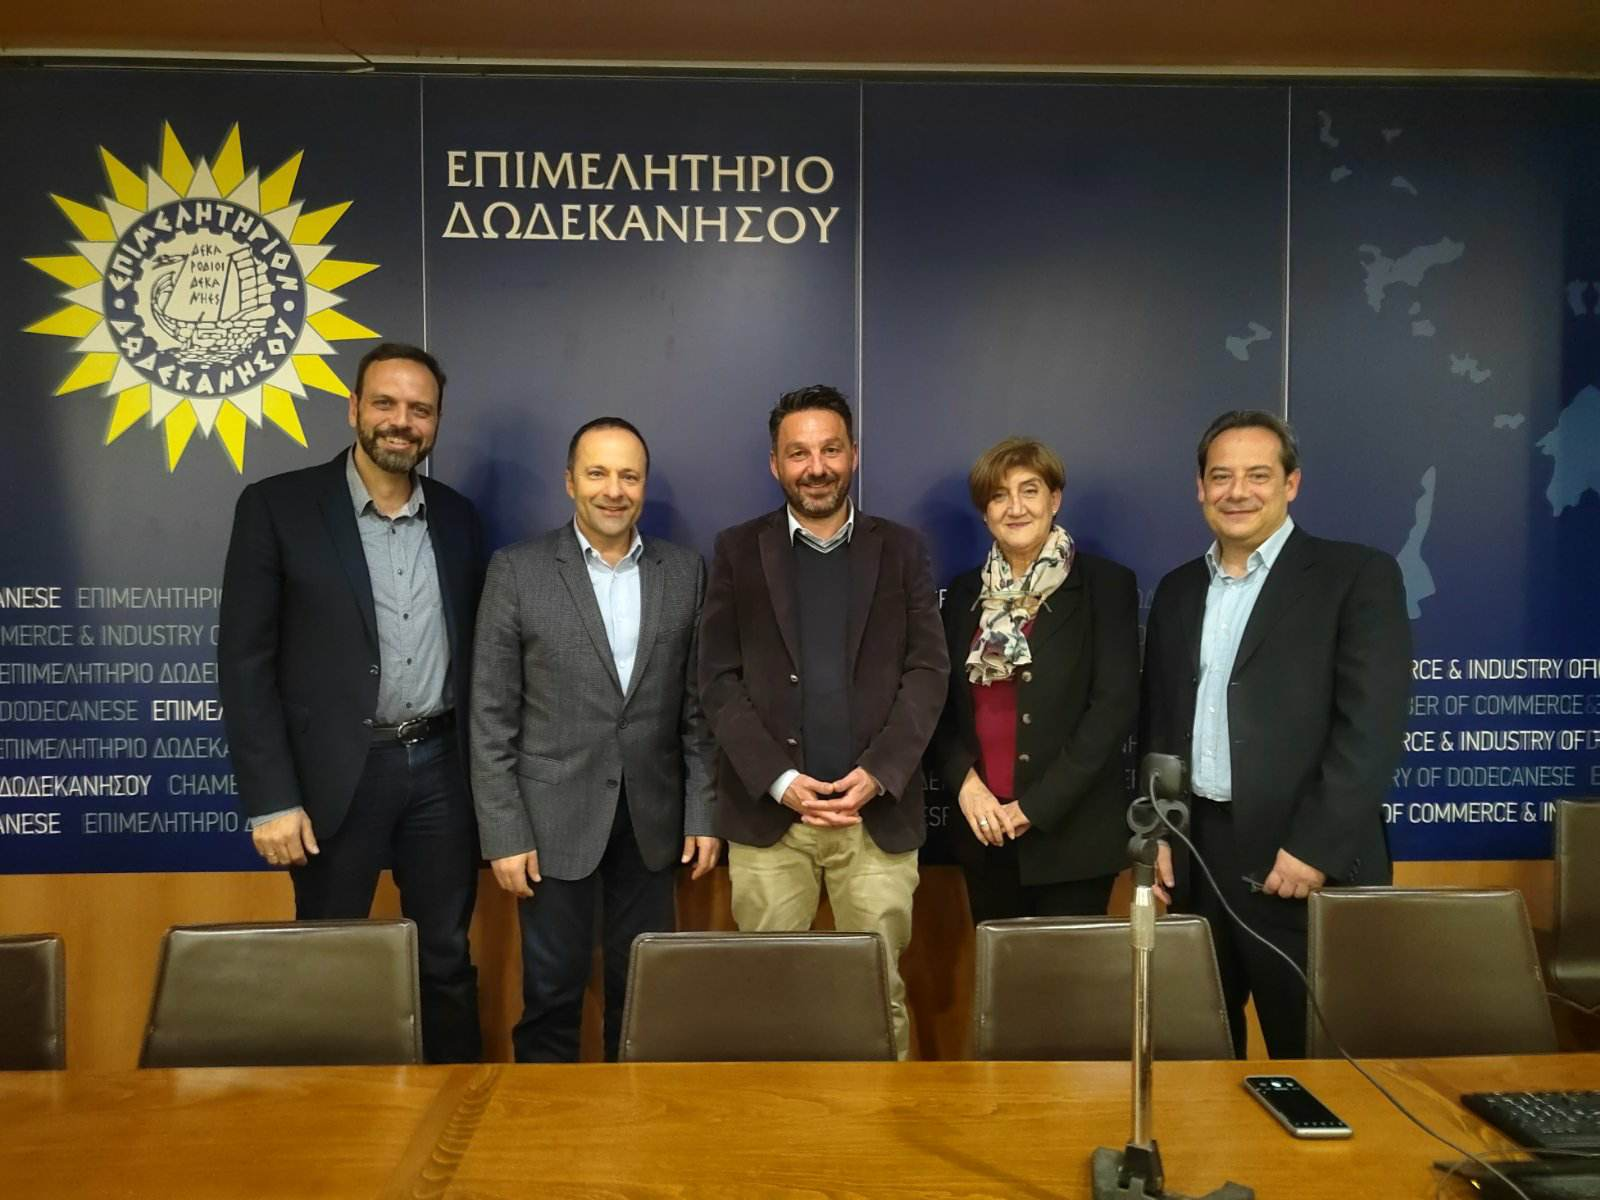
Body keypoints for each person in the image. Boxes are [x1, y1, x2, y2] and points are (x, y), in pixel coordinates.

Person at [219, 341, 484, 1063]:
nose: (402, 421)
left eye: (420, 410)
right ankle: (328, 1118)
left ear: (436, 422)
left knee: (446, 957)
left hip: (442, 770)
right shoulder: (278, 507)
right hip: (338, 777)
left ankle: (460, 1110)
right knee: (327, 960)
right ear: (353, 409)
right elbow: (244, 665)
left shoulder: (459, 519)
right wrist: (271, 800)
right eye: (386, 403)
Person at [1140, 410, 1410, 1058]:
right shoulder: (1178, 590)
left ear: (1291, 484)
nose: (1238, 491)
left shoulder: (1356, 577)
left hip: (1300, 863)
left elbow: (1370, 729)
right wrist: (1157, 834)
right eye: (1221, 476)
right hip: (1198, 856)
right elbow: (1159, 723)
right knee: (1198, 1059)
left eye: (1258, 475)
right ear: (1200, 488)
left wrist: (1314, 848)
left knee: (1318, 1064)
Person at [698, 384, 949, 1059]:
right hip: (771, 824)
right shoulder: (736, 551)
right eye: (799, 453)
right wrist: (779, 781)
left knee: (875, 997)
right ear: (774, 464)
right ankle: (780, 1123)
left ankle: (881, 1124)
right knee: (770, 999)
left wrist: (880, 772)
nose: (817, 468)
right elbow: (716, 680)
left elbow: (929, 672)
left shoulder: (902, 550)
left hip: (876, 822)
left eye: (830, 450)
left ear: (854, 455)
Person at [469, 417, 718, 1062]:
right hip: (551, 822)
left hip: (653, 822)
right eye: (598, 473)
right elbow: (491, 715)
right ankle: (546, 1118)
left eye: (629, 476)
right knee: (551, 994)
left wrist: (702, 813)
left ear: (644, 485)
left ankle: (635, 1119)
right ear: (569, 482)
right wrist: (504, 832)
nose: (614, 490)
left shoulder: (684, 572)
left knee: (643, 996)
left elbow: (697, 713)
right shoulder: (517, 571)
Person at [932, 437, 1139, 922]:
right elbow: (938, 705)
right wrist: (966, 785)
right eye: (999, 495)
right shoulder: (963, 593)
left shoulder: (1105, 585)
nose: (1016, 507)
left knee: (1068, 972)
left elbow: (1113, 708)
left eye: (1030, 490)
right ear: (985, 512)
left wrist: (1034, 808)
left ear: (1055, 499)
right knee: (997, 969)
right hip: (985, 833)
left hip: (1071, 838)